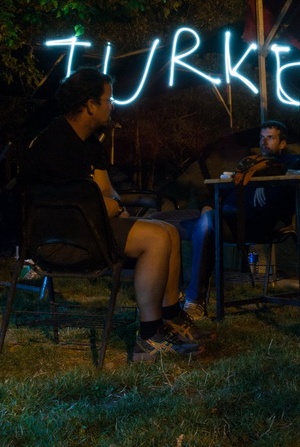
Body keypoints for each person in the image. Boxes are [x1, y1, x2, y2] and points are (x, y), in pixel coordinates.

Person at [22, 67, 206, 362]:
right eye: (108, 99)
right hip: (62, 239)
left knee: (168, 230)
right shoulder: (54, 142)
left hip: (88, 226)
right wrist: (106, 206)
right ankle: (148, 339)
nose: (112, 105)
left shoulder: (89, 142)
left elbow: (106, 191)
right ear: (90, 104)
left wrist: (114, 206)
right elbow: (67, 203)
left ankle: (170, 316)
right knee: (157, 238)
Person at [181, 120, 300, 319]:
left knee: (205, 223)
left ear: (282, 143)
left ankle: (194, 300)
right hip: (225, 218)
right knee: (168, 223)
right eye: (261, 138)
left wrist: (269, 167)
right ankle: (171, 296)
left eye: (270, 138)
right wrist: (210, 205)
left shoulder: (291, 163)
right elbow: (225, 190)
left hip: (252, 226)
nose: (264, 142)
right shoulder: (249, 163)